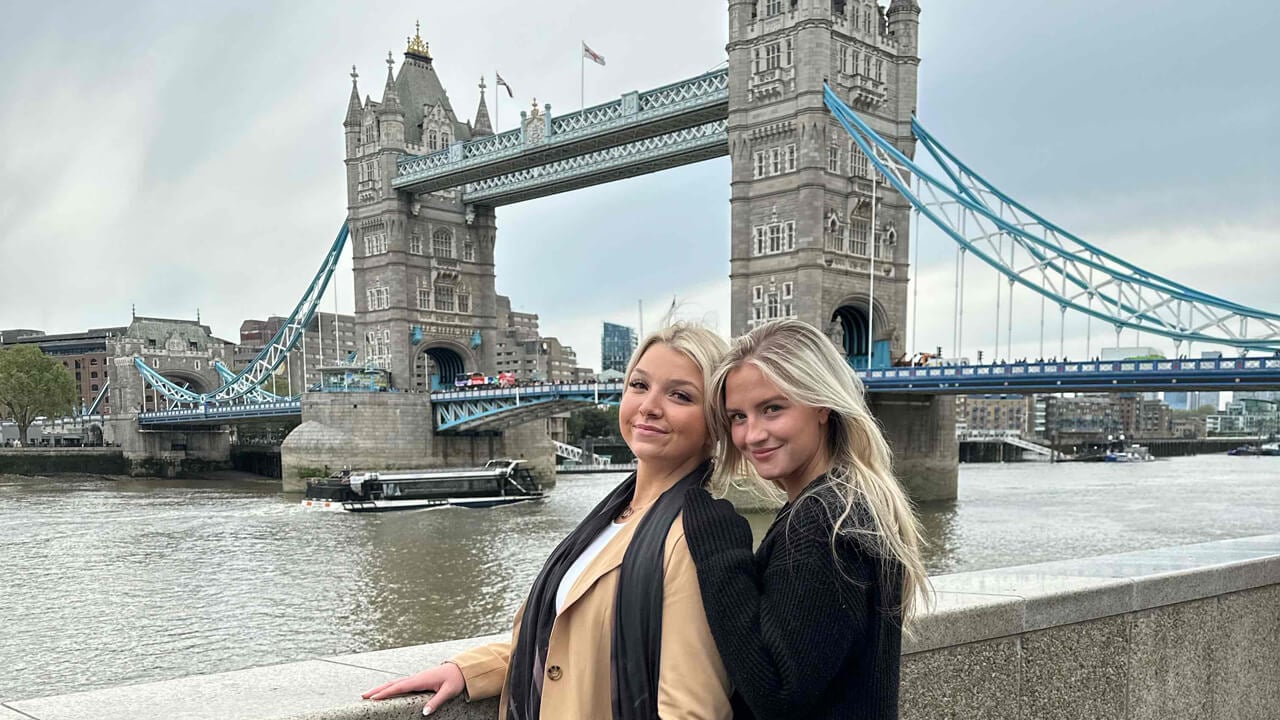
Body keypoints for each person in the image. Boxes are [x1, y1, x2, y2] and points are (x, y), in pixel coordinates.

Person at [363, 323, 732, 720]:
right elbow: (566, 643)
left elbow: (692, 710)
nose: (648, 406)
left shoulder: (693, 537)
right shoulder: (610, 516)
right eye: (639, 385)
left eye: (680, 395)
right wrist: (467, 670)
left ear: (715, 423)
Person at [681, 318, 931, 720]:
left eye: (772, 409)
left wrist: (721, 553)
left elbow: (778, 694)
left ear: (821, 405)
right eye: (738, 417)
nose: (752, 435)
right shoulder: (851, 500)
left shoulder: (824, 522)